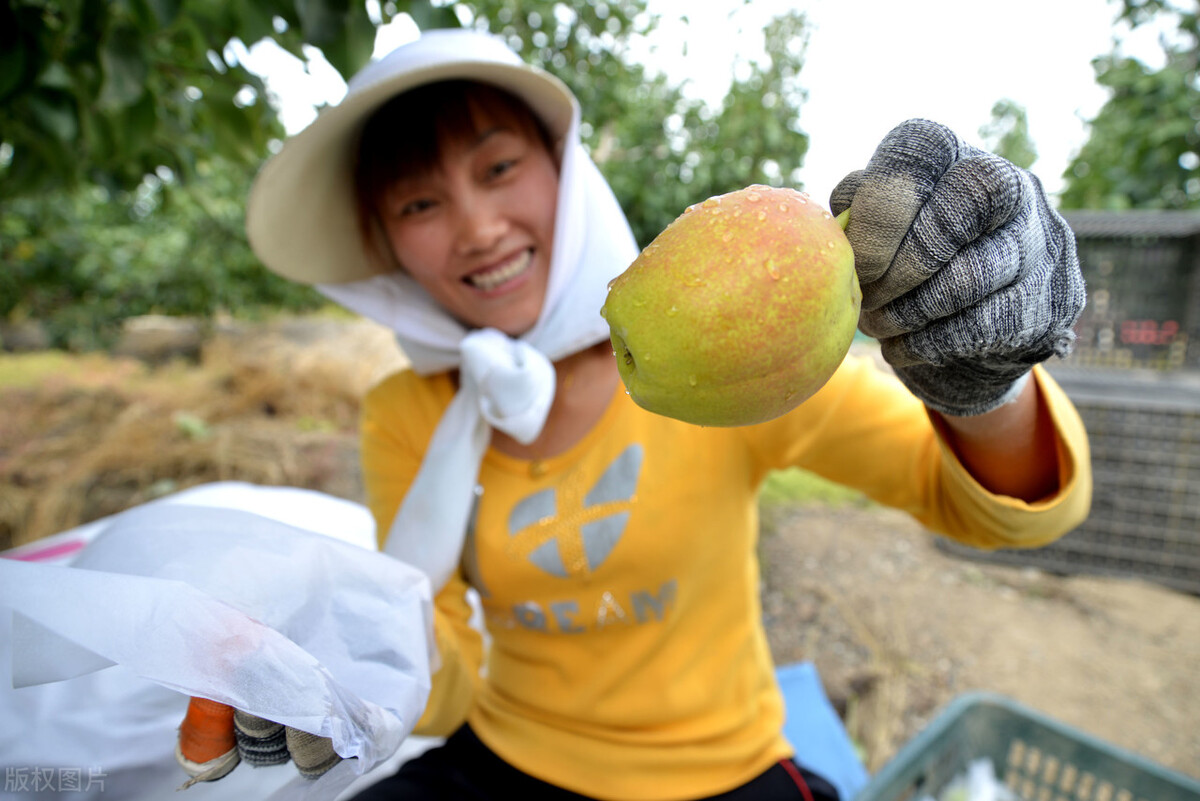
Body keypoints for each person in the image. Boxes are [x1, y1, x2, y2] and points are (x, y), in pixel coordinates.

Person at [183, 27, 1092, 801]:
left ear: (565, 172)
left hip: (720, 770)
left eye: (499, 167)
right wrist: (350, 658)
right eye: (420, 203)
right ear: (387, 245)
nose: (477, 227)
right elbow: (445, 665)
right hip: (506, 759)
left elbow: (994, 506)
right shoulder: (407, 411)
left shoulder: (735, 358)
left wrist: (984, 381)